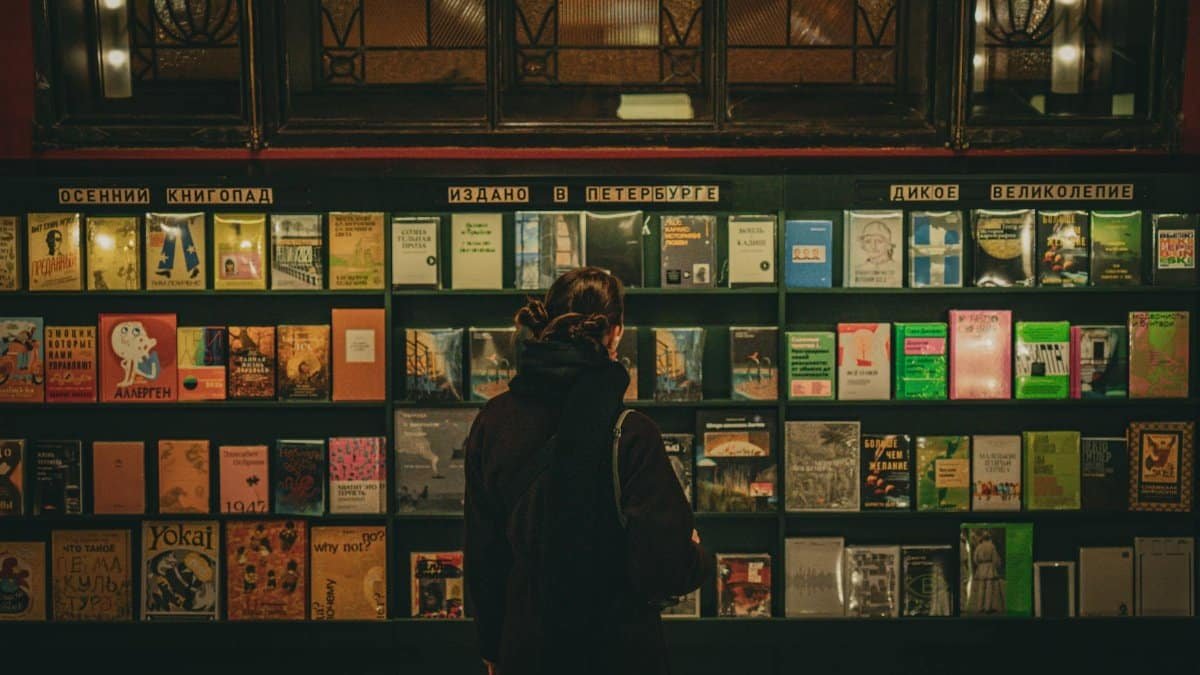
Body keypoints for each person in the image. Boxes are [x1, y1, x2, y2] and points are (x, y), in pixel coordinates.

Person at [465, 267, 711, 675]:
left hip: (527, 647)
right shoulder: (632, 431)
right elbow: (665, 568)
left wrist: (493, 647)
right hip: (619, 648)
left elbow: (484, 555)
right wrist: (696, 555)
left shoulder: (494, 421)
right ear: (616, 332)